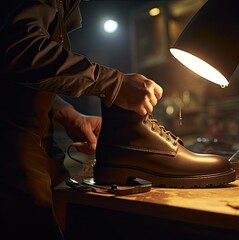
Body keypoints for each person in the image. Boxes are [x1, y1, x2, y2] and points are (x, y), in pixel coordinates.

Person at [0, 0, 163, 239]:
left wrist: (68, 115)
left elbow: (15, 83)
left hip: (39, 145)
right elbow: (19, 50)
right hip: (9, 150)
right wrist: (114, 83)